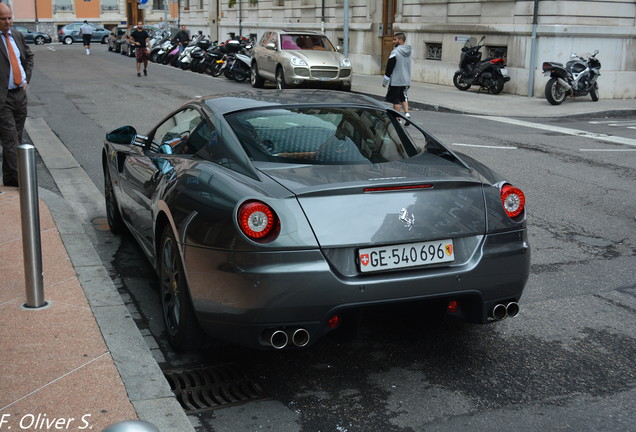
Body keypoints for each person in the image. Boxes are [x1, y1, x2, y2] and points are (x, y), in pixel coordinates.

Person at [0, 3, 33, 187]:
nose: (8, 22)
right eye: (3, 19)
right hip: (3, 99)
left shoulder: (17, 36)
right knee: (10, 139)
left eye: (9, 18)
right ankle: (22, 181)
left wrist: (26, 78)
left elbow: (29, 57)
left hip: (20, 95)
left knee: (16, 139)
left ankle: (11, 179)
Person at [382, 32, 412, 125]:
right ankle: (407, 114)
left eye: (395, 39)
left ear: (400, 40)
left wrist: (385, 81)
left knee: (395, 100)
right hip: (406, 80)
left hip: (396, 81)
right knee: (403, 97)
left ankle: (398, 119)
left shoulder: (394, 52)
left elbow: (389, 67)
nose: (393, 41)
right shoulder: (409, 51)